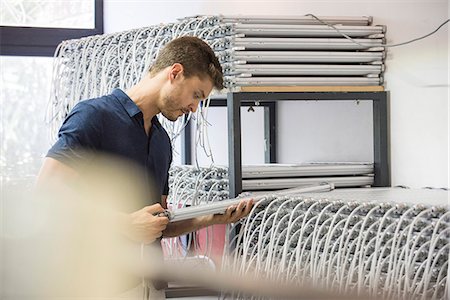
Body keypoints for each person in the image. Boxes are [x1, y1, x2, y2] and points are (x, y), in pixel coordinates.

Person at [36, 36, 253, 297]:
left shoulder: (162, 141)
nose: (195, 108)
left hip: (150, 286)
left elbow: (158, 223)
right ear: (175, 73)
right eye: (196, 95)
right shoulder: (94, 116)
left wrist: (212, 217)